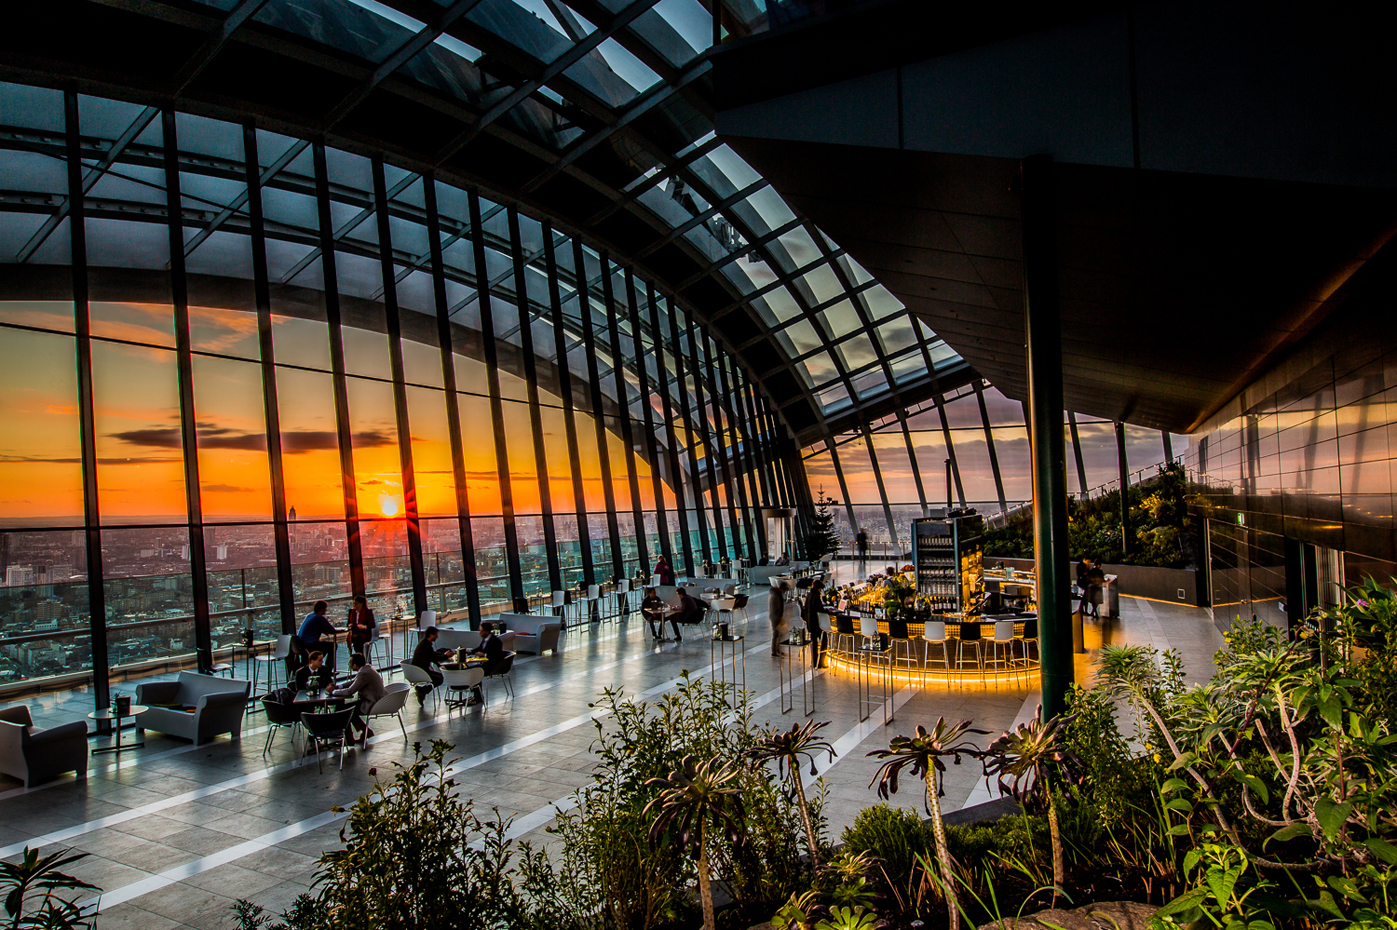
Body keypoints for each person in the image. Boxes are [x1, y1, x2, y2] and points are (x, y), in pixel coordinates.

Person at [330, 652, 385, 746]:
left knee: (345, 711)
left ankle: (349, 738)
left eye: (350, 663)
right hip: (375, 699)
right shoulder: (366, 668)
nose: (349, 665)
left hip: (372, 702)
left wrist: (333, 692)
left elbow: (350, 691)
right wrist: (339, 686)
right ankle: (365, 731)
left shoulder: (364, 673)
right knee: (350, 711)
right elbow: (355, 681)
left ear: (355, 665)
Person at [410, 626, 453, 706]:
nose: (437, 637)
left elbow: (432, 655)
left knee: (439, 677)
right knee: (439, 678)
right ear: (431, 635)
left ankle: (422, 691)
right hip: (421, 671)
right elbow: (434, 657)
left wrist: (443, 656)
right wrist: (446, 656)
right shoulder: (426, 646)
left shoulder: (425, 644)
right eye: (436, 635)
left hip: (418, 670)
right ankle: (422, 691)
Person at [298, 600, 344, 671]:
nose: (326, 610)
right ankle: (328, 669)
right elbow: (332, 631)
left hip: (302, 645)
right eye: (325, 608)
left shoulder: (309, 615)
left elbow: (315, 627)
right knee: (332, 646)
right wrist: (342, 630)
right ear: (322, 609)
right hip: (311, 645)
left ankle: (318, 663)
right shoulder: (320, 618)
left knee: (325, 646)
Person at [802, 577, 826, 668]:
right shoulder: (816, 596)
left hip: (810, 623)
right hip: (817, 624)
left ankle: (814, 662)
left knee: (814, 643)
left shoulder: (809, 595)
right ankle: (821, 661)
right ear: (818, 588)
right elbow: (820, 610)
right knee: (824, 640)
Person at [769, 577, 790, 657]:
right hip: (775, 617)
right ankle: (774, 651)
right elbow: (775, 609)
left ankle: (778, 649)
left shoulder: (778, 594)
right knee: (776, 634)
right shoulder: (775, 596)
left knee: (780, 634)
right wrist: (778, 618)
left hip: (778, 616)